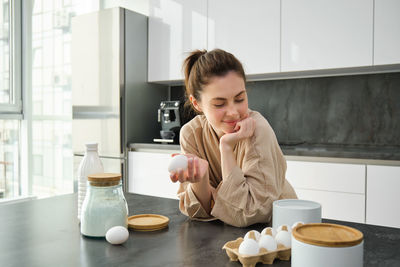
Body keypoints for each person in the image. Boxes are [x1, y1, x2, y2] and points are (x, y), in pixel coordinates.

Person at [169, 49, 297, 227]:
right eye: (219, 104)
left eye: (239, 99)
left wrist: (226, 148)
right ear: (197, 103)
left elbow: (251, 213)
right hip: (228, 237)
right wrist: (201, 178)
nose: (233, 112)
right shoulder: (191, 134)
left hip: (279, 231)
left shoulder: (258, 129)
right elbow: (198, 212)